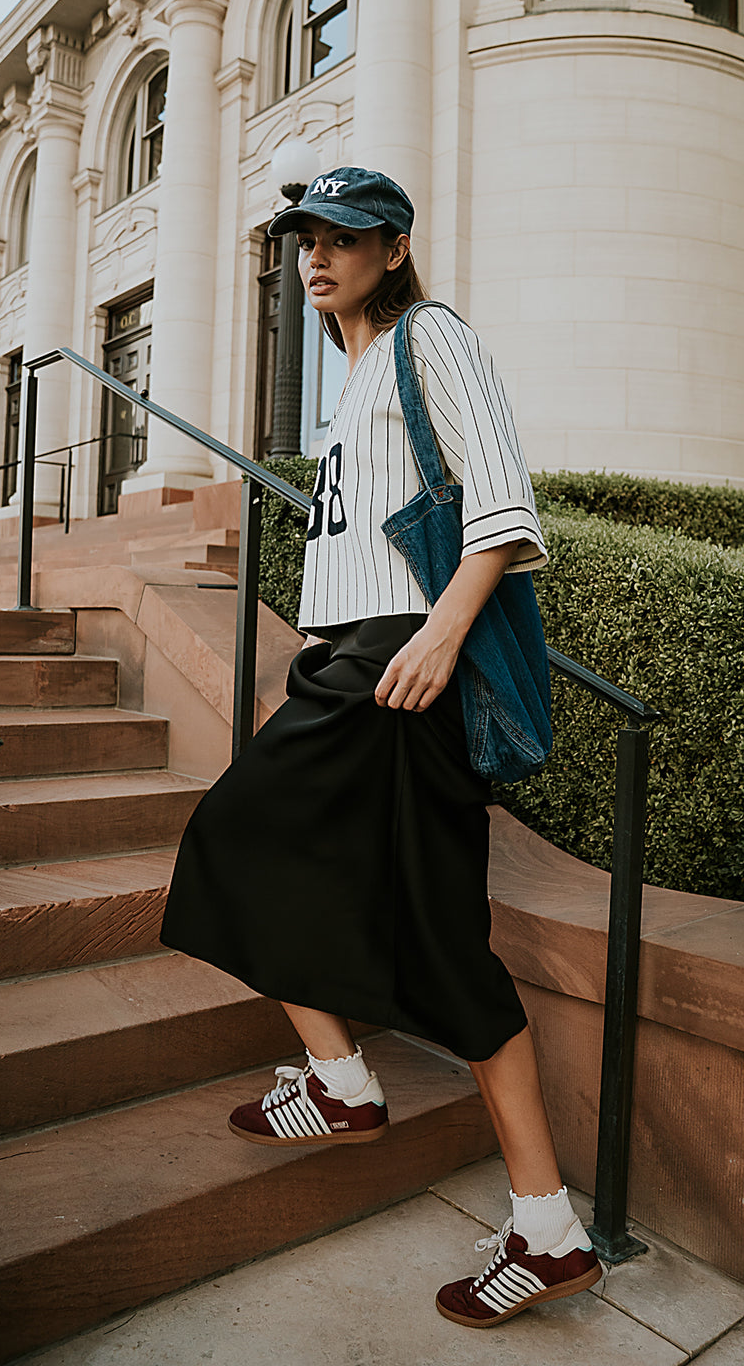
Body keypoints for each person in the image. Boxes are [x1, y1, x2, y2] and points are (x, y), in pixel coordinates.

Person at [160, 167, 602, 1327]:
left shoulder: (428, 337)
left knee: (235, 841)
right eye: (307, 238)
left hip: (399, 666)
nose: (319, 256)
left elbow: (504, 504)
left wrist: (440, 641)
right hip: (352, 662)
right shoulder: (350, 378)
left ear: (393, 249)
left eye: (346, 238)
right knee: (433, 934)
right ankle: (545, 1223)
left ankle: (350, 1087)